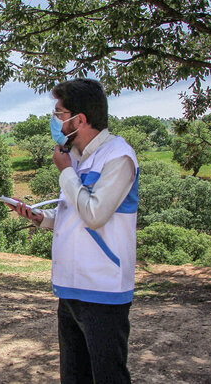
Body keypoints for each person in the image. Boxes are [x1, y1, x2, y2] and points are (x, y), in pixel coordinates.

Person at [11, 79, 138, 384]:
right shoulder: (78, 158)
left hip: (103, 290)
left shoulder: (118, 157)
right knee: (74, 375)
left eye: (59, 114)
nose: (54, 121)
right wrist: (42, 217)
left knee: (108, 376)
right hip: (70, 286)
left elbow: (95, 214)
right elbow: (74, 214)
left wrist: (66, 172)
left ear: (78, 120)